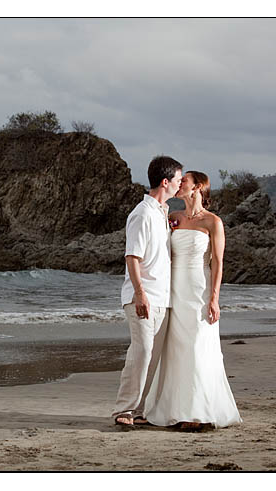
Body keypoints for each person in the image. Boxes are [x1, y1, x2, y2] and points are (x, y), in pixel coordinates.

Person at [144, 171, 242, 430]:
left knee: (199, 345)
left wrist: (214, 298)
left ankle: (198, 411)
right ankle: (176, 409)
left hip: (199, 289)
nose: (179, 184)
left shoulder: (213, 222)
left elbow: (218, 263)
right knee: (176, 349)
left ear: (197, 186)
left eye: (184, 181)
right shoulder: (173, 218)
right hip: (174, 289)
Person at [112, 155, 183, 427]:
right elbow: (132, 257)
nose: (180, 185)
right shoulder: (141, 214)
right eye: (177, 180)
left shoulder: (161, 213)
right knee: (141, 353)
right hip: (142, 297)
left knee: (152, 356)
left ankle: (141, 410)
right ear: (165, 182)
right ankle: (124, 410)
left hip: (163, 297)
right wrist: (139, 293)